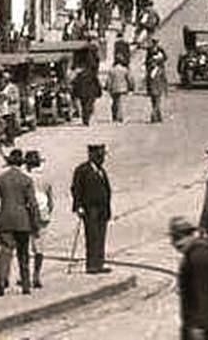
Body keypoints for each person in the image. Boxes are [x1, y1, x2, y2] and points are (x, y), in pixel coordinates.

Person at [0, 148, 39, 296]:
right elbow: (32, 204)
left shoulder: (0, 179)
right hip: (22, 220)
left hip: (5, 219)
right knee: (23, 254)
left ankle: (1, 283)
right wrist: (35, 223)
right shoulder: (26, 180)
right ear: (21, 163)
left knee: (5, 253)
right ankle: (25, 285)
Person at [70, 143, 112, 274]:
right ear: (91, 155)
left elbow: (106, 189)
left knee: (101, 236)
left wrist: (108, 208)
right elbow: (76, 189)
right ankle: (91, 265)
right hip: (90, 209)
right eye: (99, 156)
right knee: (92, 236)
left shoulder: (101, 170)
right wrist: (78, 206)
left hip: (102, 209)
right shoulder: (82, 170)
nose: (102, 159)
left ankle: (99, 263)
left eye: (102, 156)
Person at [24, 150, 53, 289]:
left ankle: (24, 275)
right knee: (39, 247)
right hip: (42, 213)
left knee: (24, 246)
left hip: (26, 213)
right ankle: (36, 275)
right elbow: (50, 201)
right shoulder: (45, 178)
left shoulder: (24, 178)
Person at [105, 59, 134, 123]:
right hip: (123, 88)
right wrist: (131, 87)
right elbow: (130, 79)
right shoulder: (125, 70)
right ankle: (121, 117)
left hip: (114, 88)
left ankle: (114, 116)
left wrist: (107, 88)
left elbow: (108, 80)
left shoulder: (111, 70)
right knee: (121, 103)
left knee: (114, 103)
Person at [146, 52, 169, 123]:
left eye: (154, 62)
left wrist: (165, 90)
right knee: (155, 103)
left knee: (156, 103)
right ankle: (155, 117)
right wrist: (148, 89)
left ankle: (157, 117)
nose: (152, 64)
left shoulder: (159, 71)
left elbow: (164, 81)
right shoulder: (151, 71)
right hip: (153, 89)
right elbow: (148, 81)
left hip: (157, 89)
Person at [0, 73, 21, 145]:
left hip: (10, 109)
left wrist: (7, 97)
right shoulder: (2, 87)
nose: (2, 80)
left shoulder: (13, 87)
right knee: (4, 125)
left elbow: (16, 98)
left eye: (3, 78)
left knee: (10, 126)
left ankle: (11, 141)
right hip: (3, 109)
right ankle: (6, 140)